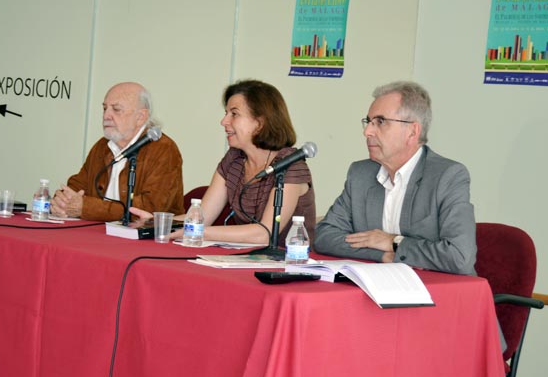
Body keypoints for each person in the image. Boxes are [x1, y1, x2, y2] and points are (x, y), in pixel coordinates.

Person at [314, 81, 476, 275]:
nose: (367, 132)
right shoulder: (361, 174)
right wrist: (383, 256)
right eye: (368, 122)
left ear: (412, 131)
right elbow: (325, 236)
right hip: (379, 287)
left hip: (437, 294)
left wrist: (394, 242)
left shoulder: (447, 176)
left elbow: (459, 257)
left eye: (380, 122)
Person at [132, 79, 316, 247]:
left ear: (260, 122)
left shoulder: (290, 165)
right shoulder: (234, 159)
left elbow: (264, 234)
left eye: (234, 114)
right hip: (244, 258)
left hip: (288, 264)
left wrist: (200, 233)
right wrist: (157, 222)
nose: (224, 121)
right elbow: (202, 217)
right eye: (226, 113)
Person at [51, 82, 184, 221]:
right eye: (104, 108)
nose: (106, 115)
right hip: (98, 233)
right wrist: (61, 202)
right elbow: (76, 188)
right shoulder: (102, 146)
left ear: (141, 116)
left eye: (116, 109)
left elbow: (149, 208)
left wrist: (86, 208)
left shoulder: (164, 150)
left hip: (146, 239)